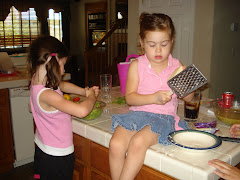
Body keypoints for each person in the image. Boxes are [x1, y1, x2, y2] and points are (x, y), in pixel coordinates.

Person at [109, 13, 194, 180]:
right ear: (142, 42)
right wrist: (154, 98)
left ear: (172, 41)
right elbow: (130, 98)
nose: (158, 50)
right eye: (152, 44)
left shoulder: (176, 66)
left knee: (138, 143)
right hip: (137, 115)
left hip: (163, 118)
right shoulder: (136, 65)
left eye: (164, 44)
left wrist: (186, 82)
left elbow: (189, 99)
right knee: (115, 144)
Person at [28, 36, 99, 180]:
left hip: (44, 149)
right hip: (56, 156)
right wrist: (91, 96)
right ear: (50, 60)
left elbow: (62, 85)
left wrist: (84, 91)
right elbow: (82, 111)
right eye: (63, 64)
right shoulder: (47, 94)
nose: (64, 69)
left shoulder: (38, 79)